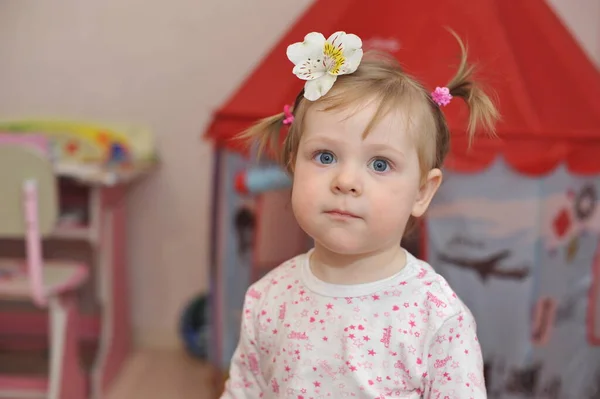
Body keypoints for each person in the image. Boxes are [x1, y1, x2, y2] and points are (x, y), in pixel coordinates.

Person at [220, 29, 499, 399]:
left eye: (380, 164)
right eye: (325, 157)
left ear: (422, 192)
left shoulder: (436, 317)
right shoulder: (268, 298)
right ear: (292, 166)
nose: (347, 180)